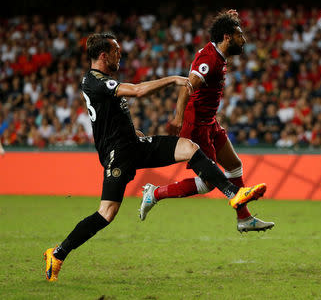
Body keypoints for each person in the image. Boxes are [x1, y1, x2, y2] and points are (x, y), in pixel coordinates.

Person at [44, 33, 267, 282]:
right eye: (116, 51)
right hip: (118, 155)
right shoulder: (95, 81)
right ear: (104, 55)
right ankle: (57, 253)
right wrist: (173, 79)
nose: (121, 55)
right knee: (106, 213)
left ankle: (233, 194)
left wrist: (132, 132)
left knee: (189, 147)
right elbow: (138, 91)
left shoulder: (100, 80)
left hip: (134, 144)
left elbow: (110, 117)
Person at [146, 10, 275, 233]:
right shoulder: (210, 60)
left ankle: (244, 219)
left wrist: (227, 16)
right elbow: (188, 87)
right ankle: (155, 193)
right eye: (239, 35)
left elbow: (219, 29)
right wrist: (177, 118)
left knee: (234, 166)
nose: (243, 40)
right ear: (227, 37)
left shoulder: (217, 53)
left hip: (209, 122)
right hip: (196, 124)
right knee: (207, 182)